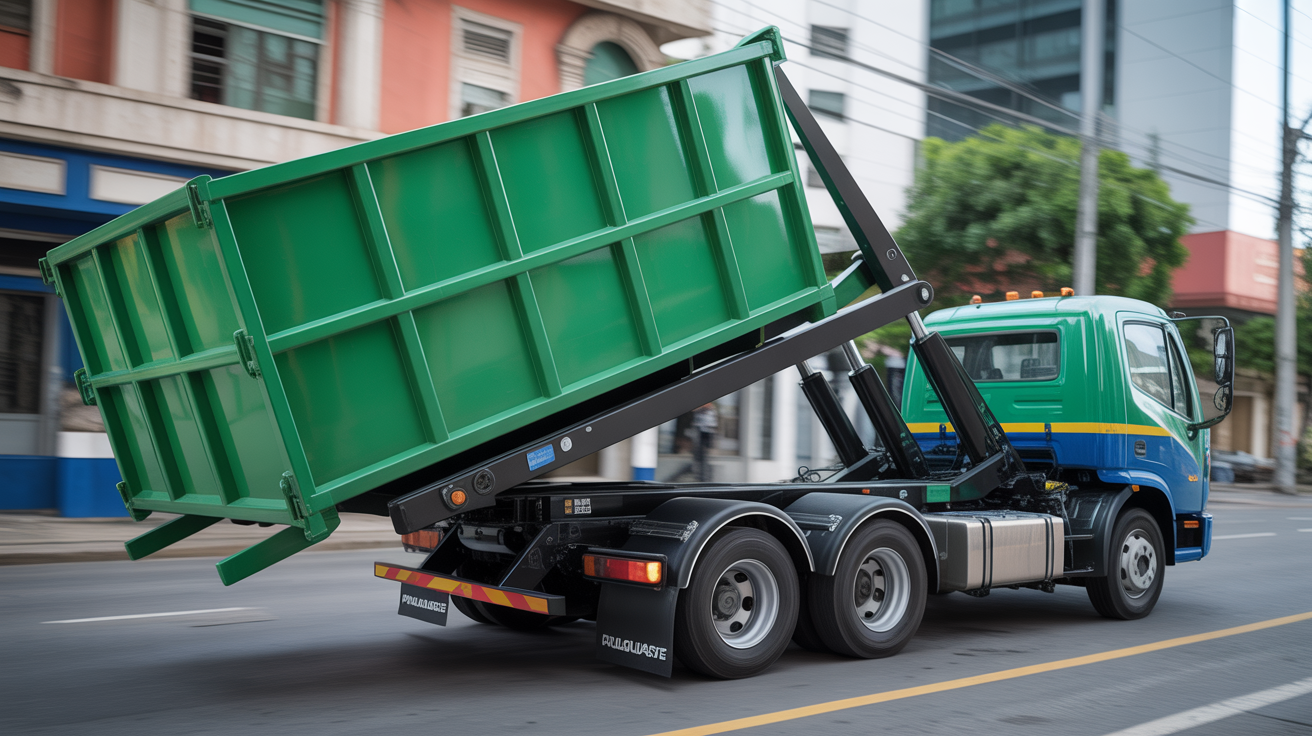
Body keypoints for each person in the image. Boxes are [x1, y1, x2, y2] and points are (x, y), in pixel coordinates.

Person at [691, 402, 719, 482]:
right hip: (701, 432)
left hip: (707, 433)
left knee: (704, 456)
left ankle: (705, 477)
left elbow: (713, 424)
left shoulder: (711, 410)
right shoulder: (700, 410)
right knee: (699, 456)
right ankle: (700, 476)